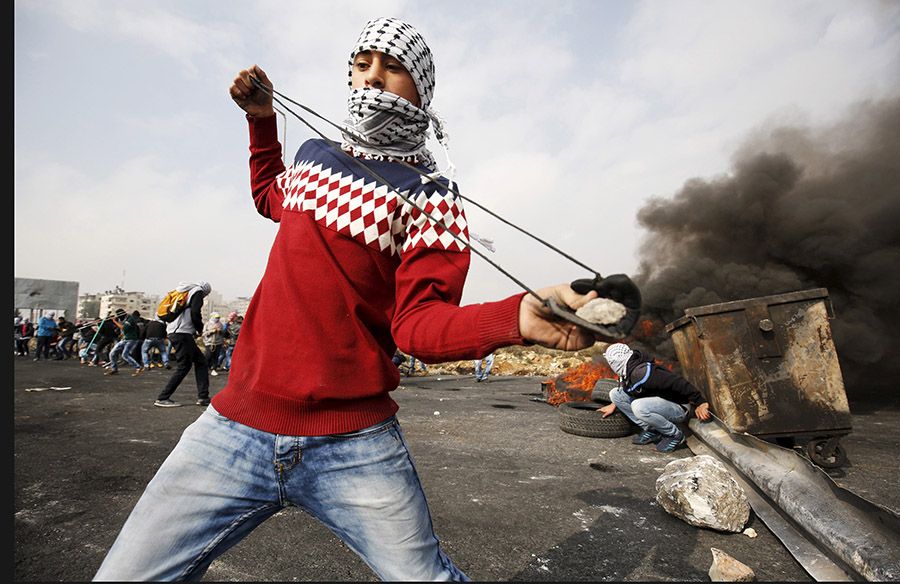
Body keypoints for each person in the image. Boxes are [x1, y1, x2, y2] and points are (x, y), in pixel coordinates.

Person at [93, 17, 604, 582]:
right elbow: (270, 197)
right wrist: (261, 123)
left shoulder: (432, 197)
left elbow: (419, 328)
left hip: (354, 444)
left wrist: (519, 316)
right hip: (233, 429)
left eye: (393, 68)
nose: (373, 80)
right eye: (362, 66)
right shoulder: (313, 155)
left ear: (422, 89)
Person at [596, 342, 711, 453]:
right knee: (615, 394)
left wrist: (700, 402)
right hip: (659, 402)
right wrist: (614, 404)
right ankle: (653, 429)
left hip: (678, 407)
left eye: (611, 362)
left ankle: (674, 434)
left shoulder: (643, 373)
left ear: (616, 362)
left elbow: (678, 382)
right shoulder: (629, 369)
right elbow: (628, 390)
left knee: (638, 407)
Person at [152, 281, 212, 408]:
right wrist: (199, 328)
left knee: (201, 362)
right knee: (184, 366)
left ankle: (203, 397)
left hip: (176, 332)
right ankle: (163, 397)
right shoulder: (197, 292)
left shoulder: (181, 293)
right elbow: (195, 313)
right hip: (182, 333)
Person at [104, 310, 145, 376]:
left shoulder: (130, 319)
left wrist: (114, 321)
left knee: (125, 355)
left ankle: (138, 367)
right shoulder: (125, 319)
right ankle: (114, 369)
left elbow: (124, 328)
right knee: (112, 353)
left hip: (131, 340)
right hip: (125, 339)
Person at [201, 312, 225, 376]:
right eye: (216, 317)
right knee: (208, 356)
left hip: (218, 343)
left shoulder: (220, 324)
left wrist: (220, 331)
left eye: (218, 318)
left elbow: (223, 333)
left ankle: (214, 369)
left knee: (216, 357)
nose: (217, 319)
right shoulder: (207, 324)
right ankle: (205, 369)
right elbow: (203, 334)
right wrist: (211, 331)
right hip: (209, 343)